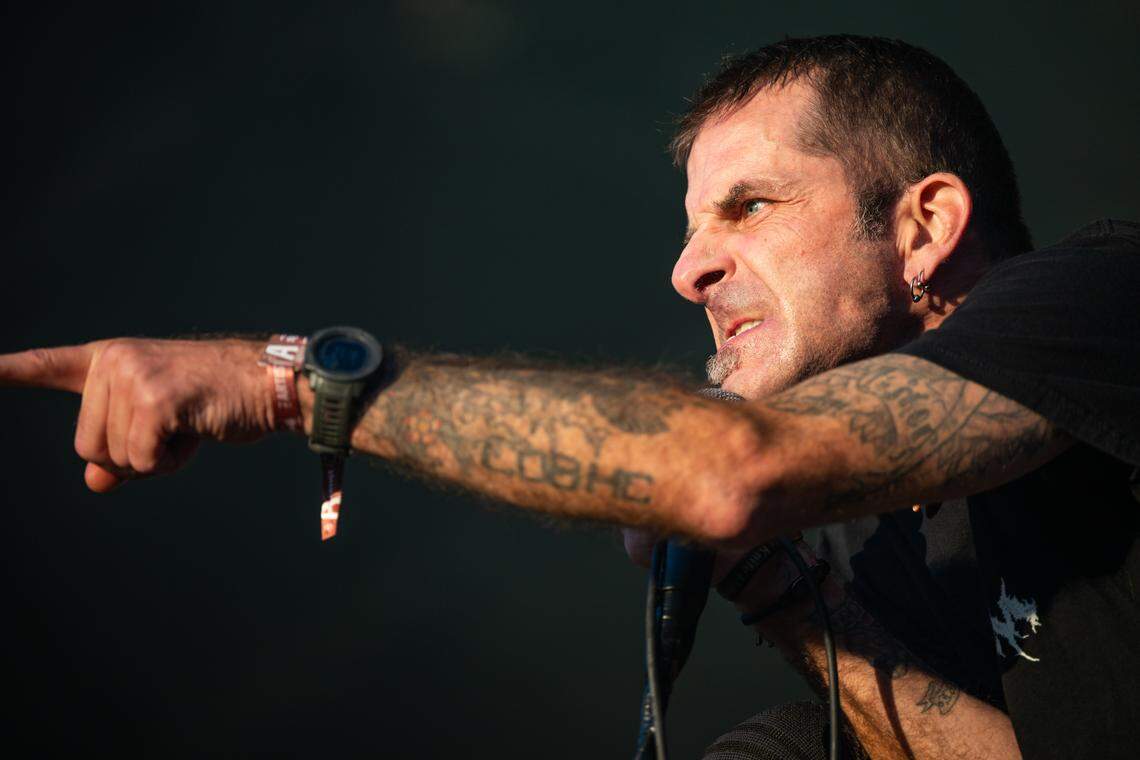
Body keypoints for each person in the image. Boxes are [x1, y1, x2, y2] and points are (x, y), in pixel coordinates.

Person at [1, 35, 1136, 759]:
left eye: (747, 207)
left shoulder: (1095, 296)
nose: (687, 270)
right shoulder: (882, 551)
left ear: (923, 226)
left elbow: (730, 465)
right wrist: (777, 592)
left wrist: (291, 382)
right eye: (691, 226)